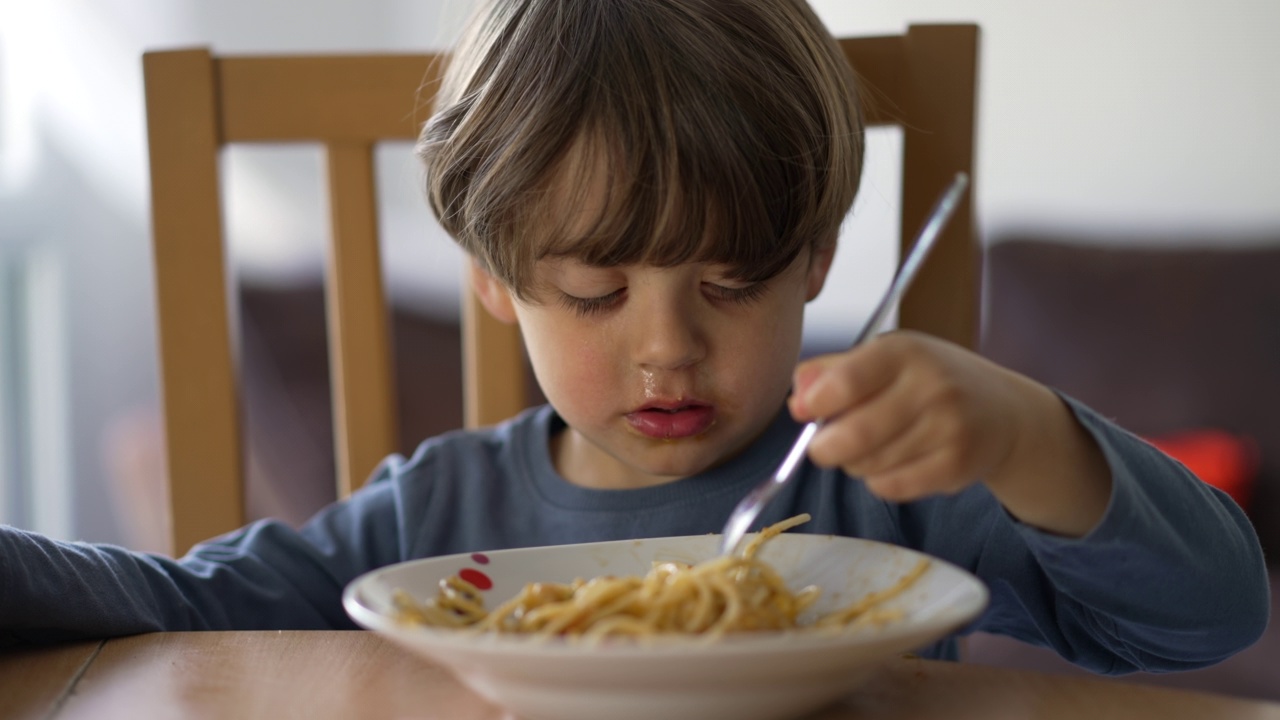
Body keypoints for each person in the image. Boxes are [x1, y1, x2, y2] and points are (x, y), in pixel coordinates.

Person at [0, 0, 1268, 673]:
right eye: (596, 293)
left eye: (730, 283)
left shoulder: (886, 498)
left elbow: (1202, 621)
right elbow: (188, 608)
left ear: (817, 260)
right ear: (496, 280)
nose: (666, 348)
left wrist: (1025, 432)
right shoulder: (436, 520)